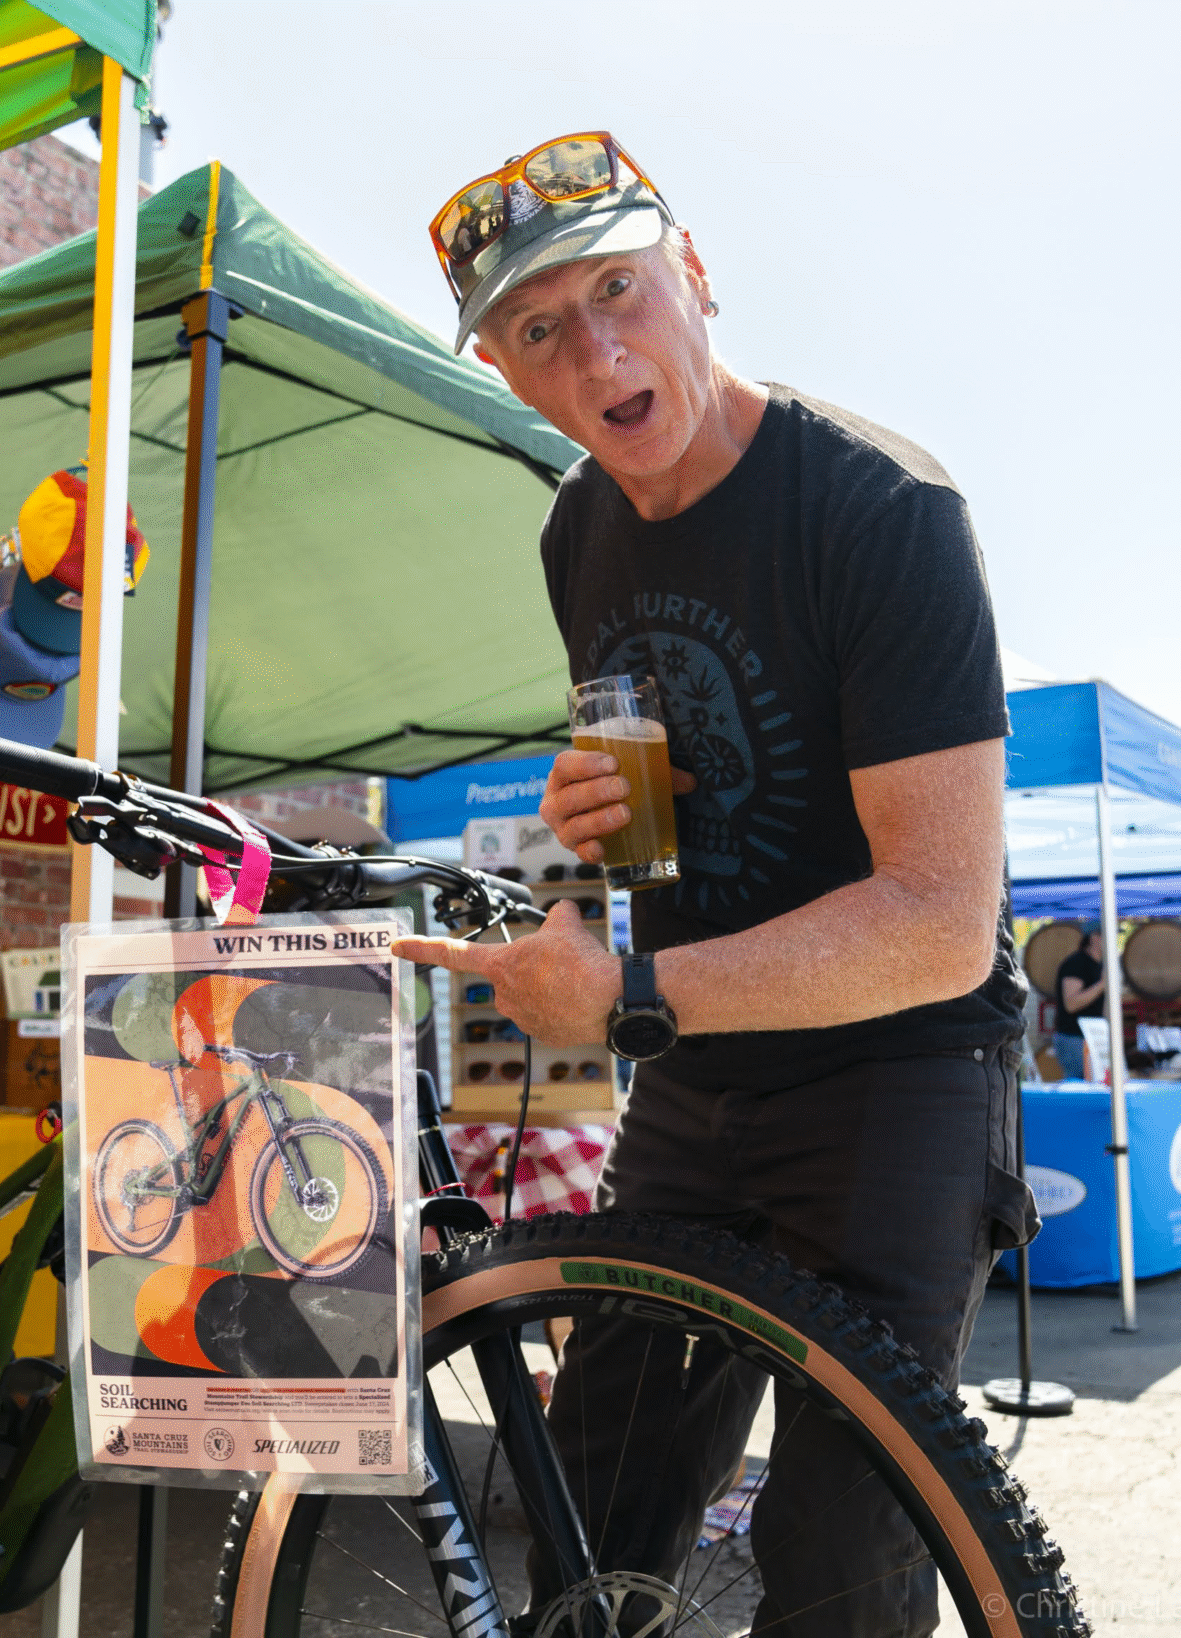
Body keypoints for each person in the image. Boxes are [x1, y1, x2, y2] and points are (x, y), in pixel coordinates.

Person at [396, 131, 1036, 1635]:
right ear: (503, 367)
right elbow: (665, 837)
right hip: (695, 1070)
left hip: (896, 1070)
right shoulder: (577, 529)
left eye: (618, 288)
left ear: (693, 274)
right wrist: (603, 817)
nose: (597, 351)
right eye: (541, 328)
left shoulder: (881, 507)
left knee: (840, 1550)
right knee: (592, 1498)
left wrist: (621, 993)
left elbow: (939, 921)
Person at [1052, 922, 1106, 1080]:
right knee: (1077, 1088)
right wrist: (1102, 985)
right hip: (1073, 1039)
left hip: (1091, 1038)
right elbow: (1071, 1004)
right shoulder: (1076, 964)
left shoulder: (1100, 965)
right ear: (1094, 938)